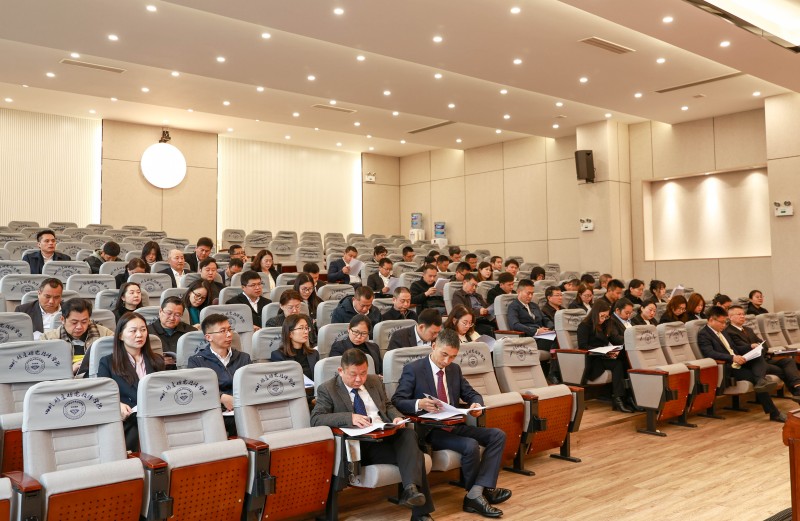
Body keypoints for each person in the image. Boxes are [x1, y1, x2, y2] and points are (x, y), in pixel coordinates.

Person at [392, 329, 511, 518]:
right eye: (444, 354)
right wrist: (418, 403)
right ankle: (479, 495)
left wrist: (476, 404)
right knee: (470, 445)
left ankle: (477, 491)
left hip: (455, 424)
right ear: (433, 347)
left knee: (498, 435)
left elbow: (471, 393)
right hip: (431, 430)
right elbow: (397, 400)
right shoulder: (414, 369)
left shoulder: (454, 369)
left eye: (453, 357)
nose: (447, 361)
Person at [312, 349, 435, 521]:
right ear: (341, 371)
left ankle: (410, 490)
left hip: (385, 436)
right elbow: (316, 419)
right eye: (353, 374)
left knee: (408, 434)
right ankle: (420, 512)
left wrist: (396, 417)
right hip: (360, 446)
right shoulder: (328, 388)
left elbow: (387, 405)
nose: (359, 379)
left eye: (363, 373)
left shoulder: (374, 381)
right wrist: (349, 417)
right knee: (416, 456)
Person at [697, 306, 785, 422]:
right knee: (757, 378)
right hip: (728, 367)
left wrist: (750, 347)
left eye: (725, 322)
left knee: (758, 356)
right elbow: (710, 353)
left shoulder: (722, 332)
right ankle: (774, 413)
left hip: (739, 362)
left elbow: (735, 348)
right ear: (711, 320)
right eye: (722, 322)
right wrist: (733, 358)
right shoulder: (704, 334)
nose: (724, 325)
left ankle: (761, 381)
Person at [98, 311, 165, 451]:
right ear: (120, 336)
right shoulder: (108, 362)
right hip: (128, 419)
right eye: (133, 331)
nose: (139, 335)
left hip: (156, 414)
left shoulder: (157, 361)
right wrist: (117, 404)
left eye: (143, 330)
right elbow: (102, 394)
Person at [188, 313, 252, 436]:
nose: (229, 334)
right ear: (208, 337)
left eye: (229, 330)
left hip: (243, 408)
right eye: (222, 331)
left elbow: (251, 385)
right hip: (215, 412)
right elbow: (197, 391)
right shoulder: (197, 361)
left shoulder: (244, 358)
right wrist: (221, 397)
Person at [726, 305, 800, 397]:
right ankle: (797, 393)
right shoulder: (729, 331)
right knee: (783, 371)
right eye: (739, 314)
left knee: (788, 361)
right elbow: (741, 348)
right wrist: (753, 347)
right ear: (730, 317)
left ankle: (797, 387)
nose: (742, 316)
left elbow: (764, 345)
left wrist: (759, 349)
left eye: (743, 314)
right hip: (751, 363)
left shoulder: (748, 329)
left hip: (763, 358)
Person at [576, 300, 633, 413]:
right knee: (618, 364)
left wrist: (614, 350)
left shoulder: (605, 324)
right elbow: (583, 346)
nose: (603, 319)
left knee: (622, 361)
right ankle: (619, 399)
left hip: (602, 356)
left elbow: (614, 339)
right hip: (591, 359)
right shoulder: (584, 326)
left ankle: (624, 397)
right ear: (595, 313)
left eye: (606, 316)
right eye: (602, 316)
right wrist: (599, 351)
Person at [42, 298, 113, 376]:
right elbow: (44, 372)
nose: (79, 327)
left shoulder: (105, 334)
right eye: (74, 322)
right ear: (62, 319)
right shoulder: (48, 339)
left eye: (84, 322)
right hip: (64, 381)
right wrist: (69, 371)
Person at [270, 313, 318, 381]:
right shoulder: (278, 356)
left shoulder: (314, 353)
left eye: (307, 328)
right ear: (290, 333)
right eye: (301, 328)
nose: (306, 332)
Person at [507, 279, 554, 348]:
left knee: (560, 336)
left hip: (542, 335)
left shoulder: (534, 305)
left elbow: (546, 319)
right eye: (528, 293)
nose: (530, 296)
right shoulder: (513, 306)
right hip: (529, 338)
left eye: (532, 293)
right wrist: (536, 331)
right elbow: (515, 325)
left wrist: (550, 328)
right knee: (557, 340)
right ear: (519, 292)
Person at [451, 273, 495, 338]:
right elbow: (461, 311)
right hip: (473, 322)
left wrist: (488, 310)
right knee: (488, 329)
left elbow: (486, 306)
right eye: (472, 285)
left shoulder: (478, 295)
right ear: (464, 282)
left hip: (485, 319)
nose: (474, 288)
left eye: (476, 286)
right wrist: (479, 311)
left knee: (497, 324)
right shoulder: (458, 295)